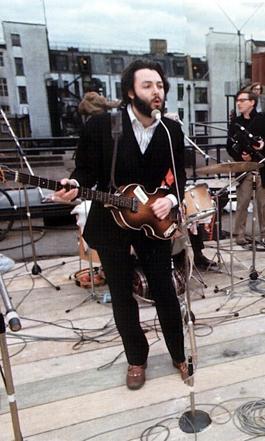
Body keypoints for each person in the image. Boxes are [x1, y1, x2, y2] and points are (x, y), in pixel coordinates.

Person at [54, 59, 189, 389]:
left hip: (151, 220)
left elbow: (180, 178)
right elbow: (84, 170)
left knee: (165, 289)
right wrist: (73, 185)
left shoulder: (171, 130)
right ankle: (136, 359)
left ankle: (179, 353)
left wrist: (171, 200)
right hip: (110, 218)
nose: (156, 92)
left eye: (160, 86)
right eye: (148, 85)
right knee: (121, 294)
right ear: (130, 91)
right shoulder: (102, 126)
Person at [226, 90, 265, 245]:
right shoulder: (235, 123)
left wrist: (264, 144)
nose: (238, 103)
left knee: (263, 204)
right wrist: (241, 156)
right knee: (242, 203)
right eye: (237, 100)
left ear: (252, 102)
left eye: (242, 100)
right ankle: (239, 234)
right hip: (245, 168)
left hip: (263, 168)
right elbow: (229, 146)